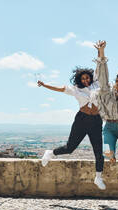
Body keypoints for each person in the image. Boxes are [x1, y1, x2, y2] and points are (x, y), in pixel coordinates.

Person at [38, 41, 107, 190]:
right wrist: (44, 85)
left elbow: (100, 64)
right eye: (83, 79)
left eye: (87, 78)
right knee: (70, 148)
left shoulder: (96, 83)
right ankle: (50, 152)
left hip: (96, 120)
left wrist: (101, 51)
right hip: (81, 120)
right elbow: (60, 88)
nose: (86, 80)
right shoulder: (75, 89)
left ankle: (98, 177)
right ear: (79, 80)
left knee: (98, 152)